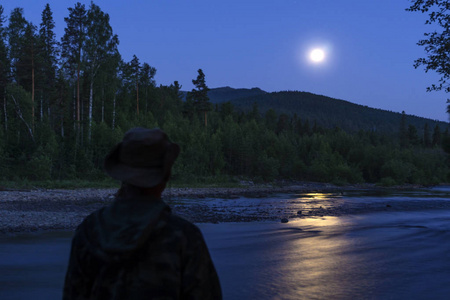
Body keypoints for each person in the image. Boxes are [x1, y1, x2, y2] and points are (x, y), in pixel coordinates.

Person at [63, 127, 222, 300]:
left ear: (122, 174)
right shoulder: (184, 237)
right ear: (165, 176)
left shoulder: (89, 230)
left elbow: (72, 294)